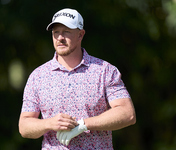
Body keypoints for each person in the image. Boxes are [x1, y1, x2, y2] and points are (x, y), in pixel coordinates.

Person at [18, 8, 136, 150]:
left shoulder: (105, 70)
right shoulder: (38, 76)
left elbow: (127, 114)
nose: (60, 37)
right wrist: (49, 124)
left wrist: (84, 124)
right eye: (56, 32)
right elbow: (24, 126)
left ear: (80, 34)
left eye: (66, 31)